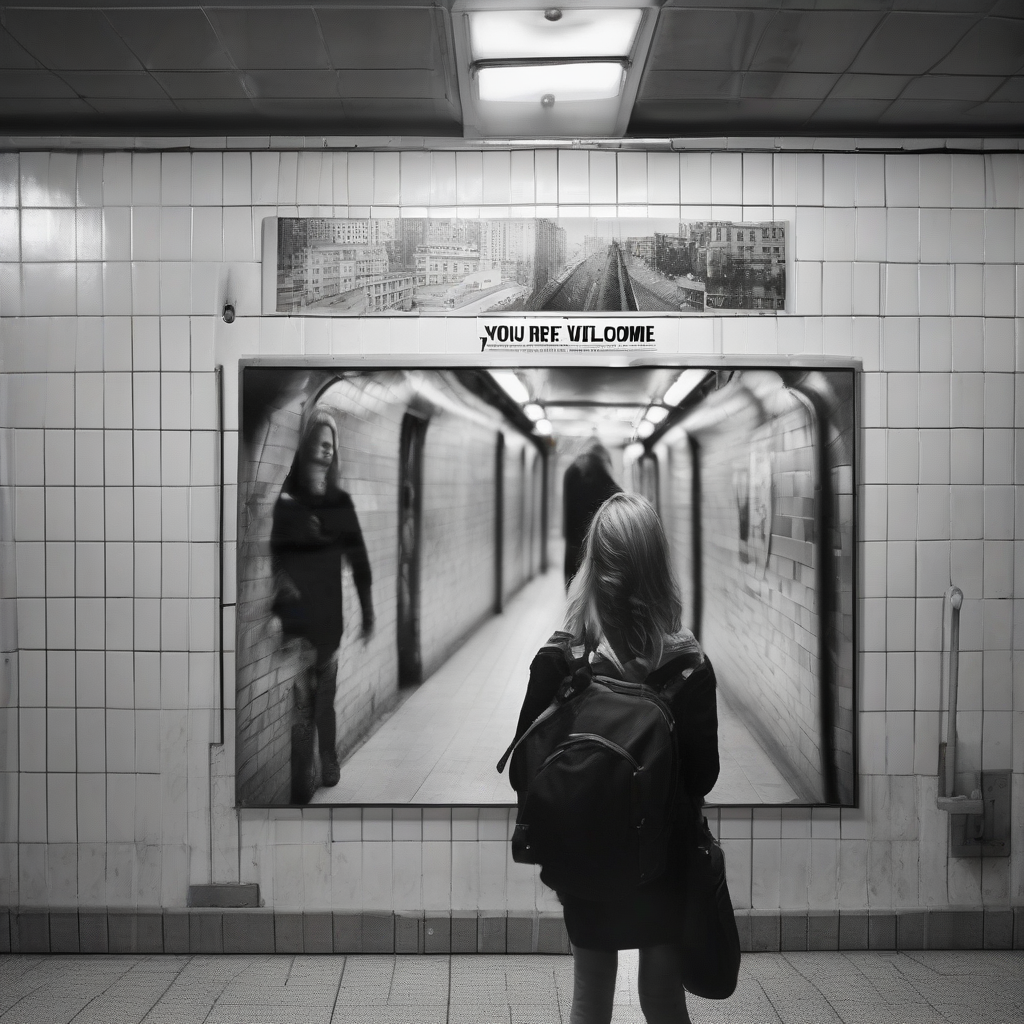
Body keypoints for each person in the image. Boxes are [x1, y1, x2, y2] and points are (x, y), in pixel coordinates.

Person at [514, 492, 720, 1024]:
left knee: (590, 999)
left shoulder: (562, 660)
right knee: (661, 997)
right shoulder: (690, 665)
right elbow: (704, 775)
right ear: (657, 566)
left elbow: (523, 769)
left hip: (587, 860)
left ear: (594, 568)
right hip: (664, 861)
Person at [271, 408, 375, 804]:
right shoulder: (287, 501)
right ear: (307, 444)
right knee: (302, 705)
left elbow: (360, 561)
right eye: (321, 439)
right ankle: (304, 777)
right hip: (298, 622)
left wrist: (367, 610)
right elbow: (277, 556)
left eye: (333, 442)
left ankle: (327, 758)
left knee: (324, 699)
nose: (328, 447)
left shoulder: (340, 503)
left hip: (329, 621)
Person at [562, 440, 621, 587]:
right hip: (599, 554)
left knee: (575, 595)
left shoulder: (570, 474)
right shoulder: (607, 485)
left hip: (573, 551)